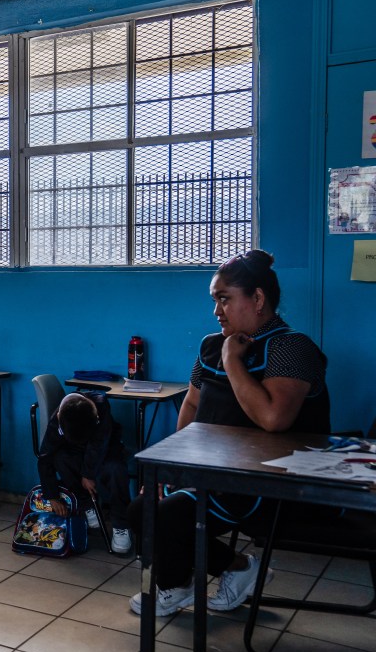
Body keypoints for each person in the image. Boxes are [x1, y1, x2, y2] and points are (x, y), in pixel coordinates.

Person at [128, 249, 331, 617]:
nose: (216, 311)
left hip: (269, 484)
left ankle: (197, 580)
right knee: (142, 507)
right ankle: (221, 573)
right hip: (213, 473)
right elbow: (191, 406)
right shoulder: (211, 346)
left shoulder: (292, 348)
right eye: (214, 300)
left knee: (169, 515)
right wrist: (172, 469)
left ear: (257, 299)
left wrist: (232, 361)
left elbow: (273, 419)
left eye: (224, 299)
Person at [37, 392, 131, 555]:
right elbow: (45, 457)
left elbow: (98, 446)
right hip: (76, 454)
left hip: (107, 450)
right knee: (60, 458)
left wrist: (87, 475)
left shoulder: (100, 407)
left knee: (116, 470)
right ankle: (86, 505)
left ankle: (120, 525)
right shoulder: (59, 418)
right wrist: (51, 496)